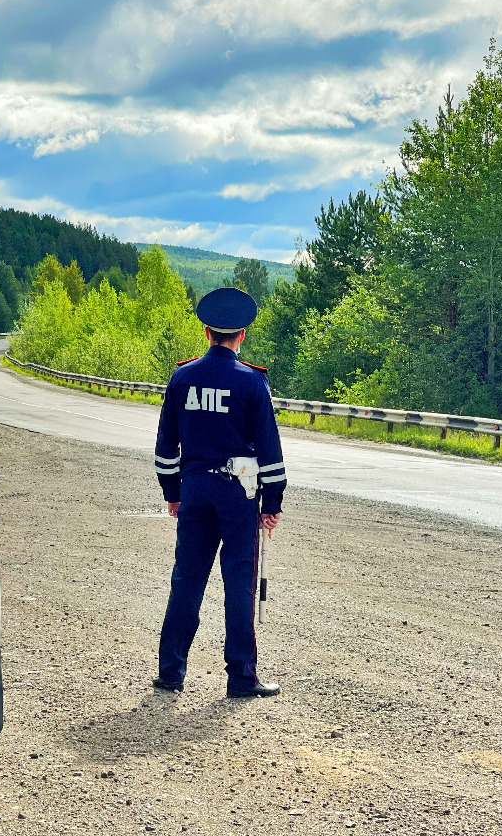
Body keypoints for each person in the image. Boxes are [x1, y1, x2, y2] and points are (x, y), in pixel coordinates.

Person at [152, 286, 285, 698]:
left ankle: (171, 673)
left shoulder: (182, 378)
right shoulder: (252, 383)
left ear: (206, 332)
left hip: (194, 490)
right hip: (238, 493)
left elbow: (164, 449)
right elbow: (270, 452)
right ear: (240, 335)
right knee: (238, 583)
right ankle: (241, 678)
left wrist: (173, 492)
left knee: (187, 581)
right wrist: (273, 502)